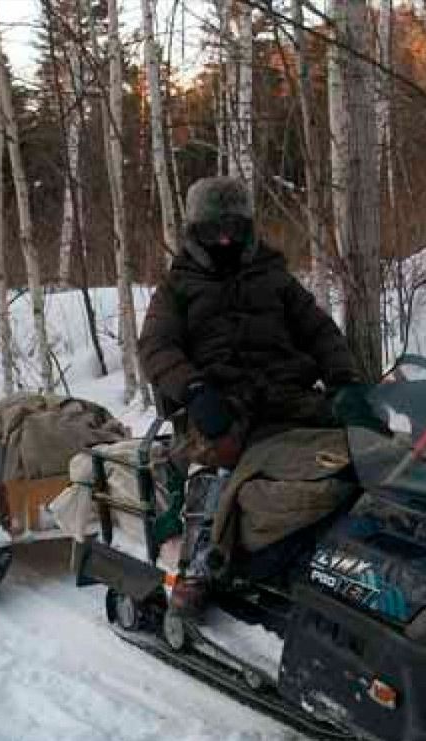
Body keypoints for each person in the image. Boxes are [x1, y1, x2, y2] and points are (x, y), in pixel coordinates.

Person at [137, 175, 367, 631]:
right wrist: (194, 390)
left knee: (363, 444)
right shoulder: (177, 288)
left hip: (287, 396)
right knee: (217, 459)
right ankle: (198, 567)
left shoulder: (275, 278)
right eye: (213, 231)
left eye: (234, 229)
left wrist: (346, 380)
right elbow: (156, 348)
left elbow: (319, 330)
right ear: (195, 233)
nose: (224, 239)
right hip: (219, 404)